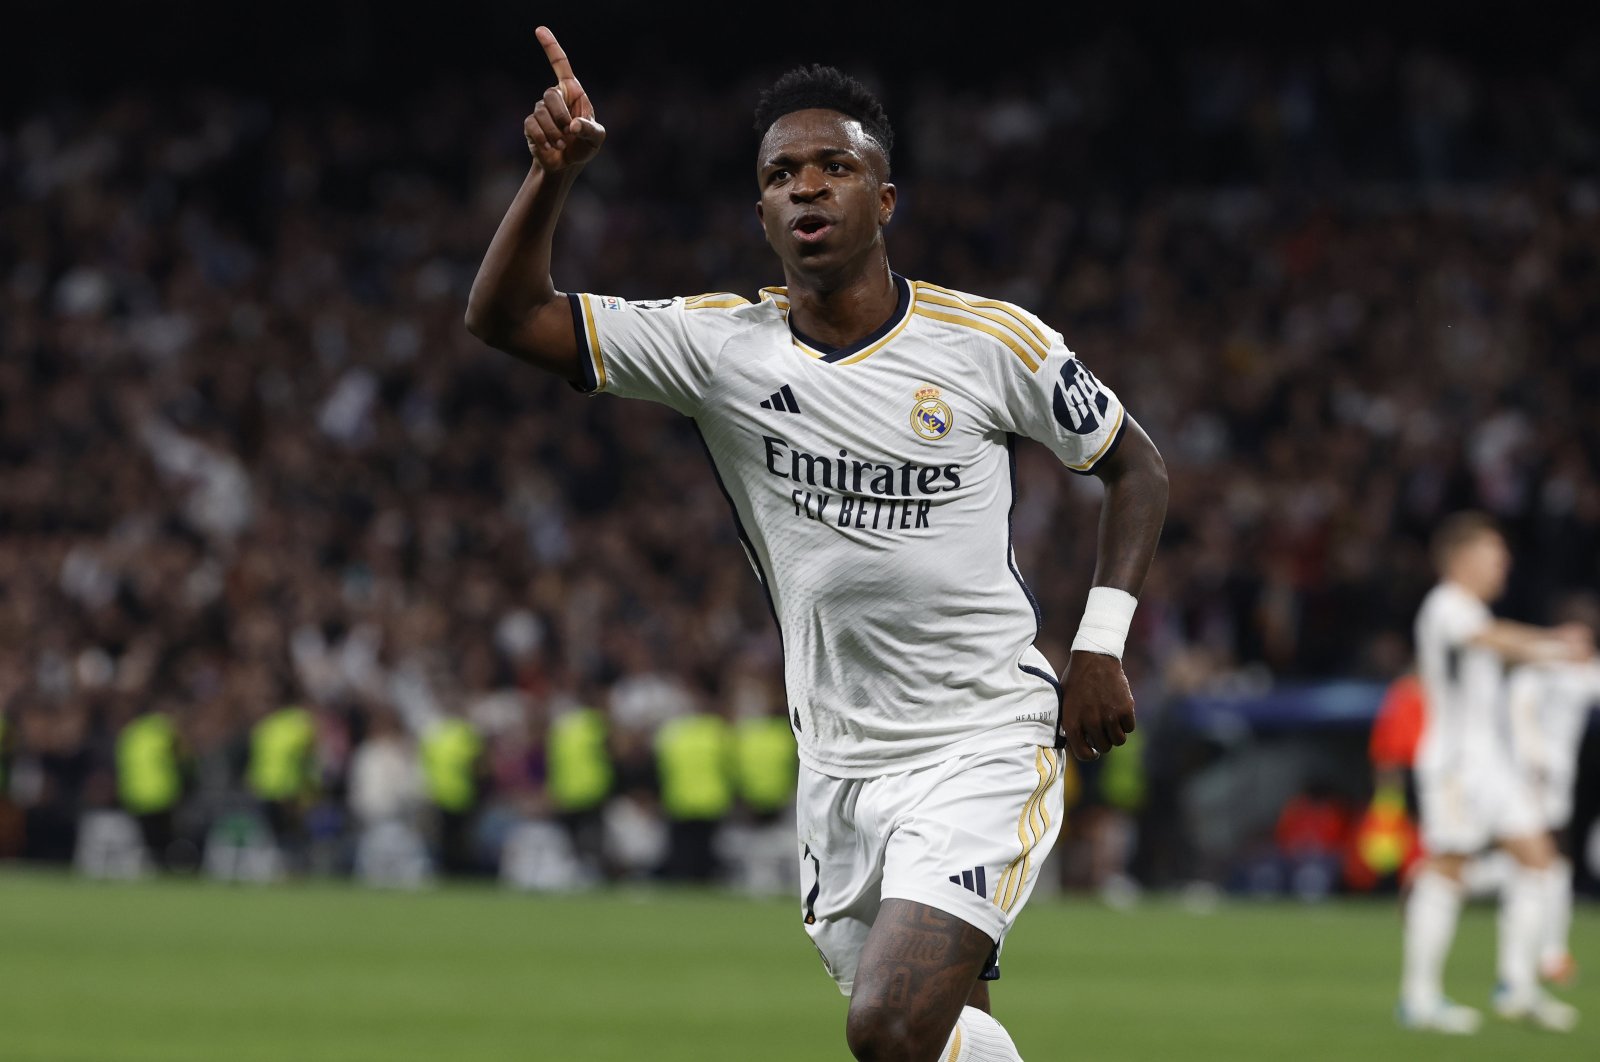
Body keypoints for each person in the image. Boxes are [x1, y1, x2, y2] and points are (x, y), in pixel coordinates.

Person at [466, 29, 1168, 1062]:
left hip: (983, 740)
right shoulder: (716, 349)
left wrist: (1101, 644)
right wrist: (549, 175)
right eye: (780, 175)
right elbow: (505, 315)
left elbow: (1134, 466)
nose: (807, 188)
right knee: (939, 1042)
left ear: (884, 200)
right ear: (759, 212)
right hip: (838, 766)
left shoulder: (990, 344)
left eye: (835, 168)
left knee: (887, 1026)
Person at [1398, 512, 1591, 1034]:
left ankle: (1516, 986)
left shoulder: (1473, 612)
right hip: (1456, 765)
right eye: (1494, 554)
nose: (1503, 563)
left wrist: (1554, 658)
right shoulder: (1447, 607)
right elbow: (1491, 640)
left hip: (1494, 765)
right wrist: (1557, 643)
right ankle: (1418, 998)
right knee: (1451, 867)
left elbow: (1497, 654)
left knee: (1541, 865)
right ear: (1463, 559)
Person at [1504, 591, 1600, 987]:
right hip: (1526, 776)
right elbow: (1517, 714)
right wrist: (1532, 763)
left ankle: (1550, 954)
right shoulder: (1534, 672)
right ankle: (1529, 964)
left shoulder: (1583, 674)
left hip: (1560, 781)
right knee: (1540, 863)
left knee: (1553, 865)